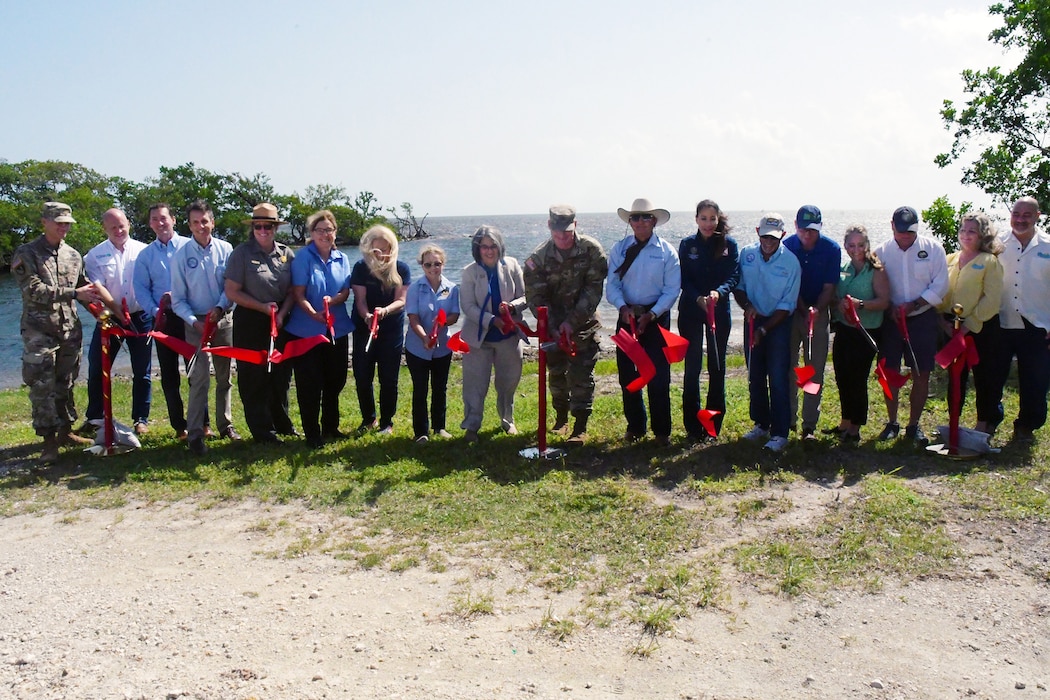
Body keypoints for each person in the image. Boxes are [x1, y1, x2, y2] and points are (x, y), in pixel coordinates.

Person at [11, 202, 98, 464]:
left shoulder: (73, 255)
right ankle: (48, 441)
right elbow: (33, 291)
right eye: (58, 222)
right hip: (39, 332)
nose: (63, 227)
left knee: (66, 382)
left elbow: (85, 289)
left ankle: (65, 431)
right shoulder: (27, 253)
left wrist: (104, 314)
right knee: (41, 385)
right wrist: (75, 294)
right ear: (44, 222)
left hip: (69, 330)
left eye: (67, 223)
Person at [523, 205, 608, 445]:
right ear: (550, 227)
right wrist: (553, 326)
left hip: (584, 324)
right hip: (551, 327)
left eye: (567, 233)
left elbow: (593, 291)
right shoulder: (537, 259)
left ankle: (580, 427)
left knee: (581, 376)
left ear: (575, 226)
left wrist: (572, 323)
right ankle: (561, 419)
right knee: (557, 374)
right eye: (558, 233)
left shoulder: (592, 251)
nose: (563, 238)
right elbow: (535, 298)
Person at [606, 198, 681, 446]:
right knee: (628, 375)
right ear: (630, 221)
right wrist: (623, 307)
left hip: (656, 319)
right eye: (635, 218)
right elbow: (612, 286)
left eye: (645, 217)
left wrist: (653, 314)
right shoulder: (619, 249)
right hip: (626, 315)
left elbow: (672, 290)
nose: (640, 222)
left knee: (659, 375)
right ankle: (635, 426)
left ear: (654, 221)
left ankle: (661, 432)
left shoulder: (666, 252)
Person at [873, 206, 949, 446]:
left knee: (922, 372)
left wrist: (915, 304)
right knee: (889, 373)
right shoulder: (881, 252)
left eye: (911, 231)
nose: (906, 236)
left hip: (922, 317)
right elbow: (875, 286)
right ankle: (892, 422)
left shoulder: (933, 249)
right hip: (892, 319)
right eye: (902, 231)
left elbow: (940, 285)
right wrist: (889, 308)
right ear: (892, 226)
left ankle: (914, 425)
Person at [170, 200, 240, 455]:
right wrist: (194, 322)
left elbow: (230, 288)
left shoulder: (226, 249)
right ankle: (196, 434)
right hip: (194, 324)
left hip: (222, 319)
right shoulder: (181, 255)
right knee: (198, 378)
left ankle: (226, 425)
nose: (201, 226)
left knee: (225, 377)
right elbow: (177, 299)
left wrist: (220, 309)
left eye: (205, 221)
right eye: (196, 222)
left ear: (212, 222)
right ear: (189, 225)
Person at [224, 203, 297, 443]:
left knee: (280, 375)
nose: (263, 230)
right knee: (253, 376)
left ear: (276, 228)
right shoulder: (241, 254)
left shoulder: (287, 254)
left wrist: (282, 312)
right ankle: (262, 430)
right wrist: (263, 308)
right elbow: (232, 292)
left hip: (281, 318)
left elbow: (293, 291)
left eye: (268, 226)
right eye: (258, 226)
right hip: (251, 319)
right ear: (253, 228)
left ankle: (282, 424)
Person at [732, 213, 801, 453]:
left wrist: (764, 328)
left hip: (778, 322)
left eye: (773, 237)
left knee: (778, 377)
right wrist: (748, 308)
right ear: (757, 232)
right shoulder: (746, 255)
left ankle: (780, 433)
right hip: (753, 318)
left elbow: (787, 304)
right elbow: (738, 287)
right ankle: (761, 424)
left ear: (782, 235)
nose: (768, 242)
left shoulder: (791, 262)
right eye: (764, 236)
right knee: (755, 375)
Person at [286, 210, 354, 449]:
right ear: (312, 233)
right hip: (306, 330)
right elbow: (298, 293)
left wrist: (334, 301)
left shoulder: (343, 258)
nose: (325, 234)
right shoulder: (303, 258)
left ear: (335, 232)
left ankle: (330, 427)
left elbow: (346, 291)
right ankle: (312, 433)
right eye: (319, 230)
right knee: (310, 383)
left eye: (329, 230)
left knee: (336, 379)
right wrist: (313, 314)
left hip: (337, 327)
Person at [82, 208, 151, 435]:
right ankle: (95, 418)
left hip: (140, 317)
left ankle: (141, 419)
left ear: (128, 224)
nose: (119, 231)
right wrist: (117, 312)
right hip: (109, 318)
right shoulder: (94, 256)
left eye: (122, 225)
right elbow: (98, 287)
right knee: (97, 367)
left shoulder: (144, 251)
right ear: (105, 229)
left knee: (143, 371)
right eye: (113, 227)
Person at [133, 203, 197, 439]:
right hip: (164, 321)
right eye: (154, 219)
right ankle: (180, 426)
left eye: (164, 218)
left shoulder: (190, 247)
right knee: (169, 376)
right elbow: (140, 289)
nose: (160, 223)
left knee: (196, 373)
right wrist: (155, 311)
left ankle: (202, 422)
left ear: (173, 220)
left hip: (191, 316)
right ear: (150, 224)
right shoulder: (146, 256)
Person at [677, 199, 739, 442]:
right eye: (703, 218)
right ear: (696, 219)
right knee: (692, 369)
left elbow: (734, 275)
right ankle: (693, 428)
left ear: (718, 219)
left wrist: (718, 292)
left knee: (717, 368)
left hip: (718, 310)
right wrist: (697, 298)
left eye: (712, 218)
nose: (708, 223)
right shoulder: (687, 244)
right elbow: (681, 278)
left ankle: (712, 427)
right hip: (692, 311)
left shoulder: (729, 245)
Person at [938, 212, 1004, 436]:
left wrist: (968, 326)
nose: (966, 235)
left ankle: (984, 424)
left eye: (972, 231)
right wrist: (942, 320)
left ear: (982, 235)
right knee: (955, 377)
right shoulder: (949, 259)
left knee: (985, 376)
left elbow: (992, 300)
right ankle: (953, 423)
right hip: (950, 326)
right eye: (963, 230)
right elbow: (939, 291)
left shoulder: (989, 262)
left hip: (980, 329)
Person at [459, 225, 528, 443]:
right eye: (484, 247)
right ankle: (471, 426)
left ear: (500, 246)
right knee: (474, 385)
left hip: (508, 336)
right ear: (477, 249)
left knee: (508, 382)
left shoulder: (513, 265)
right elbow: (467, 306)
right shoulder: (469, 272)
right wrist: (492, 320)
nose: (489, 251)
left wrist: (513, 307)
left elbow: (526, 296)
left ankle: (507, 421)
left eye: (493, 246)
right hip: (479, 339)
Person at [991, 196, 1050, 443]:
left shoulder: (1047, 246)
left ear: (1037, 217)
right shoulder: (996, 244)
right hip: (1001, 320)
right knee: (992, 376)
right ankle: (989, 419)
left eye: (1027, 215)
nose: (1020, 219)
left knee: (1035, 379)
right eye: (1016, 214)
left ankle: (1027, 425)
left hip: (1037, 323)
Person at [782, 205, 841, 440]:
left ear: (820, 227)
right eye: (804, 230)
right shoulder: (786, 247)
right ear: (796, 227)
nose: (808, 235)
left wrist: (816, 309)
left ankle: (809, 425)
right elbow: (788, 284)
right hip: (791, 311)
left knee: (813, 371)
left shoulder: (831, 249)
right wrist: (801, 307)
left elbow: (830, 287)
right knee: (789, 368)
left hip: (819, 312)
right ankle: (788, 421)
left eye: (813, 230)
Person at [830, 225, 890, 441]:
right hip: (844, 330)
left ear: (867, 245)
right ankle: (845, 421)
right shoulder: (843, 268)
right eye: (851, 245)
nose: (856, 249)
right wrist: (838, 305)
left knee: (857, 379)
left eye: (861, 245)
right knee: (842, 376)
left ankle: (856, 426)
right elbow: (835, 297)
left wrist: (860, 304)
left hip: (867, 331)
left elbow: (884, 301)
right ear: (845, 246)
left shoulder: (876, 269)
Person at [351, 225, 409, 435]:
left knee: (389, 378)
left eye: (386, 250)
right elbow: (359, 300)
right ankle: (369, 419)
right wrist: (366, 315)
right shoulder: (360, 268)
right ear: (370, 249)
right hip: (363, 328)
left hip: (391, 329)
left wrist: (385, 311)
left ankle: (387, 421)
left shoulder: (401, 269)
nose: (382, 255)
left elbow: (401, 300)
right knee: (363, 375)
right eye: (377, 250)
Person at [405, 244, 461, 443]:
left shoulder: (452, 288)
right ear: (422, 266)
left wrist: (444, 321)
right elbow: (413, 318)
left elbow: (455, 314)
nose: (433, 268)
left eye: (437, 264)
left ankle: (440, 427)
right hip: (417, 346)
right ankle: (421, 432)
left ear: (443, 264)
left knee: (440, 388)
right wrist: (424, 338)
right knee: (420, 389)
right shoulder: (414, 288)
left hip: (443, 347)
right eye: (428, 264)